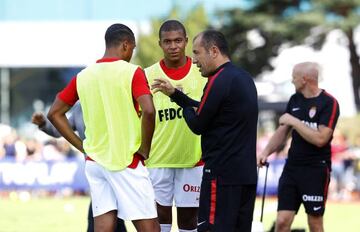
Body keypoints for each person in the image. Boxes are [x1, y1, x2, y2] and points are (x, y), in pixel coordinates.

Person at [47, 23, 160, 232]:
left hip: (95, 161)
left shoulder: (84, 76)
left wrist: (83, 147)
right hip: (126, 160)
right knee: (150, 227)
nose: (132, 55)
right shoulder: (132, 72)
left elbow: (54, 113)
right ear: (126, 45)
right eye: (133, 49)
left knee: (103, 225)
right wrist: (145, 148)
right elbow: (149, 111)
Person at [152, 29, 258, 232]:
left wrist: (183, 108)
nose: (194, 60)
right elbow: (208, 110)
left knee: (210, 228)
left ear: (214, 51)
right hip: (245, 175)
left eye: (197, 53)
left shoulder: (218, 80)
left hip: (221, 175)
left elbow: (198, 123)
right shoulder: (243, 77)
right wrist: (176, 94)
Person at [257, 62, 340, 232]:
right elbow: (283, 131)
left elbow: (321, 139)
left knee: (314, 222)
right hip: (292, 168)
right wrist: (265, 152)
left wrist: (294, 121)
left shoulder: (329, 103)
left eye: (294, 77)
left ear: (304, 80)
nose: (292, 80)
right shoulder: (294, 100)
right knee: (281, 222)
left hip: (316, 170)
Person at [144, 20, 207, 232]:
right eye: (167, 41)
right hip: (157, 159)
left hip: (193, 160)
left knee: (189, 221)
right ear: (160, 44)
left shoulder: (202, 73)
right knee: (158, 220)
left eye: (178, 40)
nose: (173, 46)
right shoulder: (146, 74)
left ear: (186, 42)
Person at [31, 101, 127, 232]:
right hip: (97, 173)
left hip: (121, 169)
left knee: (137, 216)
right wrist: (43, 124)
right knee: (107, 219)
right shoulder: (80, 108)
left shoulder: (110, 98)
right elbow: (59, 129)